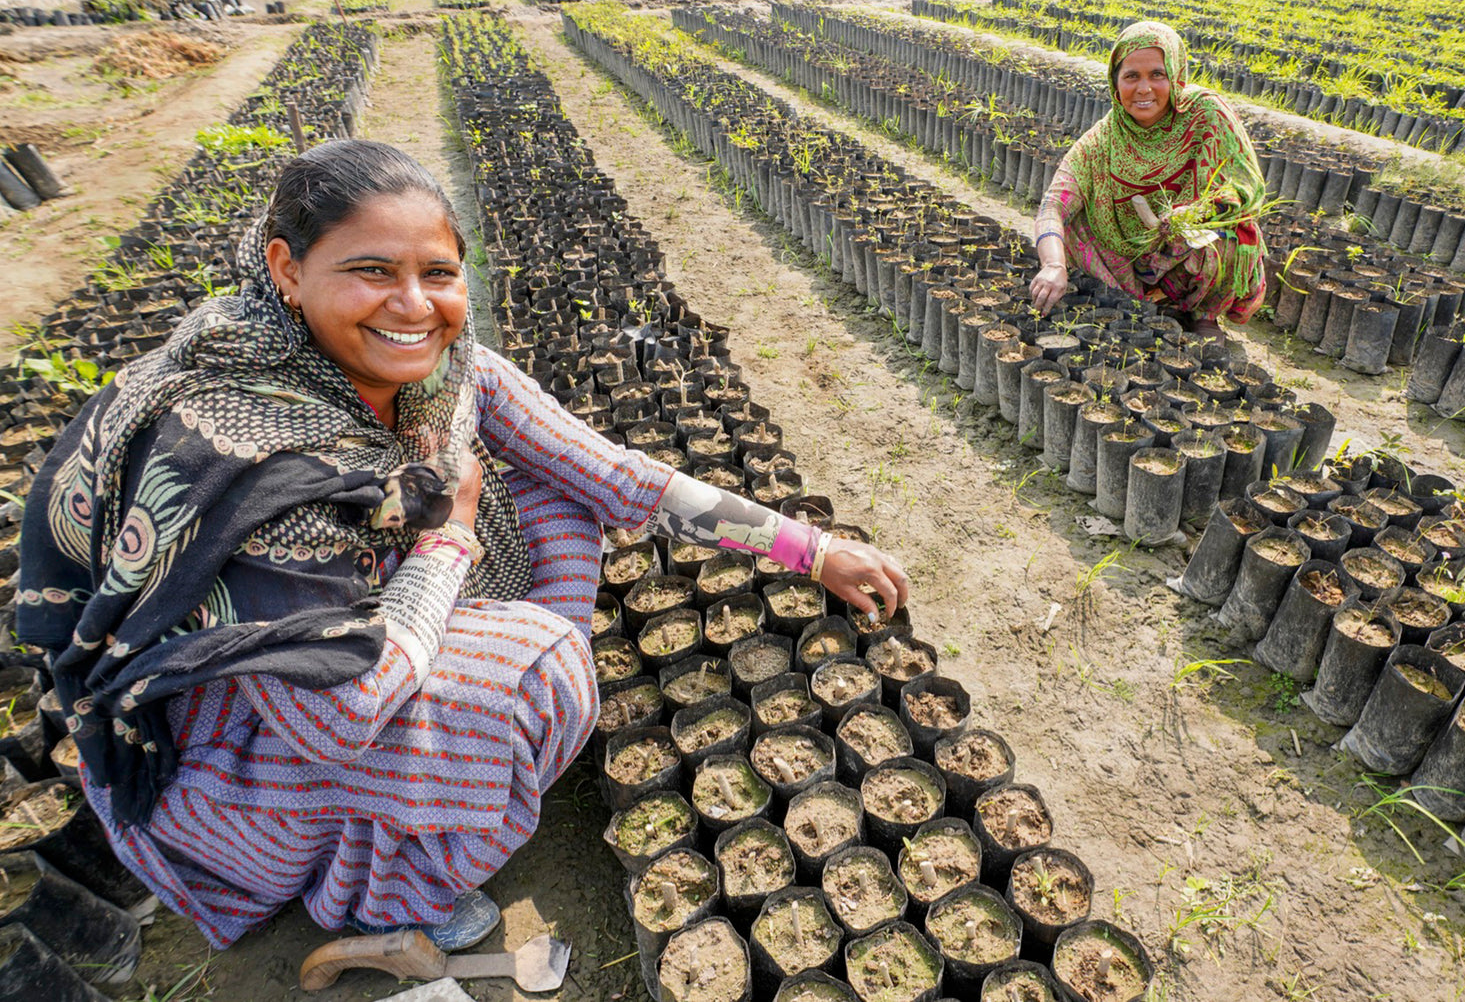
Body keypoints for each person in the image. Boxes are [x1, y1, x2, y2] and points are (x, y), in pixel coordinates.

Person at [17, 140, 910, 951]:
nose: (413, 305)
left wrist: (812, 548)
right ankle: (387, 894)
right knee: (540, 664)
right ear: (287, 269)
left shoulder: (444, 368)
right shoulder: (240, 445)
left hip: (364, 645)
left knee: (557, 496)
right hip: (247, 760)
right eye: (371, 270)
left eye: (436, 272)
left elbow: (617, 474)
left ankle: (476, 761)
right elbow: (342, 712)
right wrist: (448, 541)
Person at [1030, 20, 1268, 343]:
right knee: (1073, 224)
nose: (1144, 88)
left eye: (1157, 74)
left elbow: (1246, 187)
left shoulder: (1207, 116)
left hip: (1189, 255)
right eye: (1131, 76)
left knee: (1235, 231)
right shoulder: (1102, 141)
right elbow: (1052, 205)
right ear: (1116, 84)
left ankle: (1204, 314)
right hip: (1129, 266)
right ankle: (1138, 301)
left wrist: (1191, 215)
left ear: (1175, 75)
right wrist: (1054, 265)